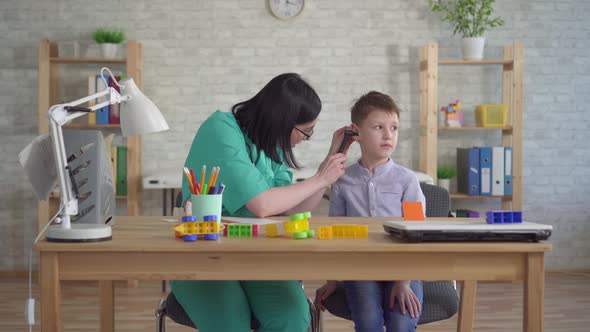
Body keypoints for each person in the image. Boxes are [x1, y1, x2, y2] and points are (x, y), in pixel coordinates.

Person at [170, 73, 349, 332]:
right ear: (282, 120)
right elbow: (263, 205)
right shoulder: (221, 129)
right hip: (205, 256)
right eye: (305, 131)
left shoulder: (270, 149)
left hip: (256, 256)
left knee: (293, 316)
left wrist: (328, 166)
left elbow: (292, 207)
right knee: (232, 321)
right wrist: (320, 178)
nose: (303, 139)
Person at [314, 91, 426, 332]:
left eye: (394, 128)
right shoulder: (343, 181)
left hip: (404, 269)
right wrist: (332, 280)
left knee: (401, 322)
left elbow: (418, 233)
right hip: (360, 268)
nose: (388, 135)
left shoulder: (407, 181)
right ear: (357, 133)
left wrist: (403, 282)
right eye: (378, 127)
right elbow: (334, 233)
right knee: (367, 322)